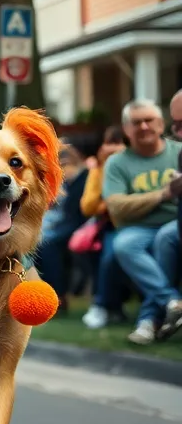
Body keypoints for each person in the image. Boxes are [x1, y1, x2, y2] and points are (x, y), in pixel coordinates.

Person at [103, 101, 182, 345]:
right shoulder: (117, 162)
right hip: (138, 228)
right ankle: (171, 302)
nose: (144, 127)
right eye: (136, 122)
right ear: (126, 129)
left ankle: (149, 320)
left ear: (161, 124)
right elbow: (116, 206)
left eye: (149, 120)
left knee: (166, 237)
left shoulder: (178, 152)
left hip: (175, 222)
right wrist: (163, 194)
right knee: (124, 245)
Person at [80, 126, 130, 328]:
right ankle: (106, 305)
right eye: (109, 143)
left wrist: (111, 202)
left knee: (111, 256)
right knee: (101, 255)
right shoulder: (98, 169)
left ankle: (106, 305)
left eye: (118, 143)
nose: (112, 149)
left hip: (131, 223)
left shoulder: (132, 166)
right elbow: (87, 206)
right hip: (110, 225)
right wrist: (101, 170)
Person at [34, 144, 88, 312]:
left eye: (65, 163)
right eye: (60, 164)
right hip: (57, 224)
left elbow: (76, 213)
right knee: (36, 243)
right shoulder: (56, 180)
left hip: (78, 226)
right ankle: (40, 294)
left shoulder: (83, 177)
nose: (63, 168)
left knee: (47, 244)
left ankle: (58, 295)